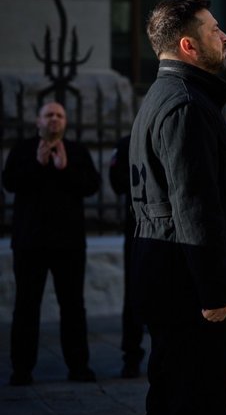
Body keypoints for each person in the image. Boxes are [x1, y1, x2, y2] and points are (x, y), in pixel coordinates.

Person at [129, 0, 226, 415]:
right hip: (190, 290)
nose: (225, 36)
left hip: (174, 282)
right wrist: (216, 291)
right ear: (188, 46)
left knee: (173, 397)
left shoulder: (166, 96)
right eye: (214, 29)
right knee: (195, 403)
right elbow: (194, 205)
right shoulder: (185, 105)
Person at [3, 101, 101, 386]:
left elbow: (91, 185)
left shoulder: (77, 151)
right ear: (38, 121)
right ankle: (21, 369)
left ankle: (79, 366)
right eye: (49, 115)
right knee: (26, 306)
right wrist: (38, 164)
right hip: (30, 243)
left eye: (59, 115)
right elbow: (9, 182)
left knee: (73, 306)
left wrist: (65, 168)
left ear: (66, 122)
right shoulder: (23, 150)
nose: (54, 120)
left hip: (69, 244)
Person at [108, 134, 146, 378]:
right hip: (137, 229)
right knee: (134, 294)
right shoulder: (127, 143)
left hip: (171, 230)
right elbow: (116, 182)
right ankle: (131, 354)